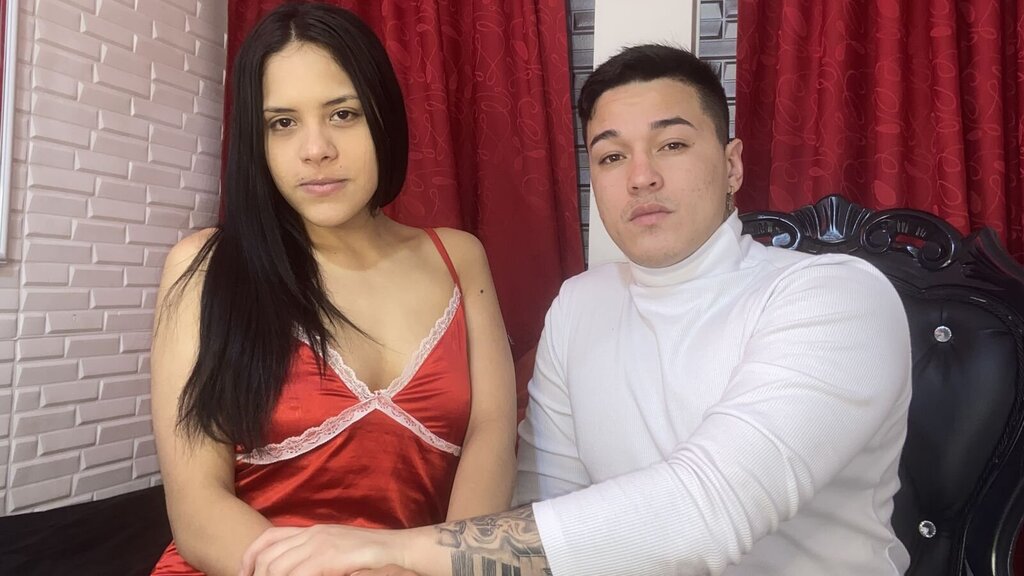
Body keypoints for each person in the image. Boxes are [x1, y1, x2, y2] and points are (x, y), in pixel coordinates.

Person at [237, 44, 913, 576]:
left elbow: (706, 513)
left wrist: (397, 550)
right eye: (611, 156)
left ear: (732, 165)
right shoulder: (581, 304)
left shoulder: (837, 298)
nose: (641, 176)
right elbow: (543, 500)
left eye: (673, 145)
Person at [148, 4, 517, 576]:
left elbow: (490, 436)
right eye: (282, 123)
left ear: (382, 115)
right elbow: (198, 512)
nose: (315, 149)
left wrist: (450, 567)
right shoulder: (205, 267)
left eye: (343, 114)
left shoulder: (459, 258)